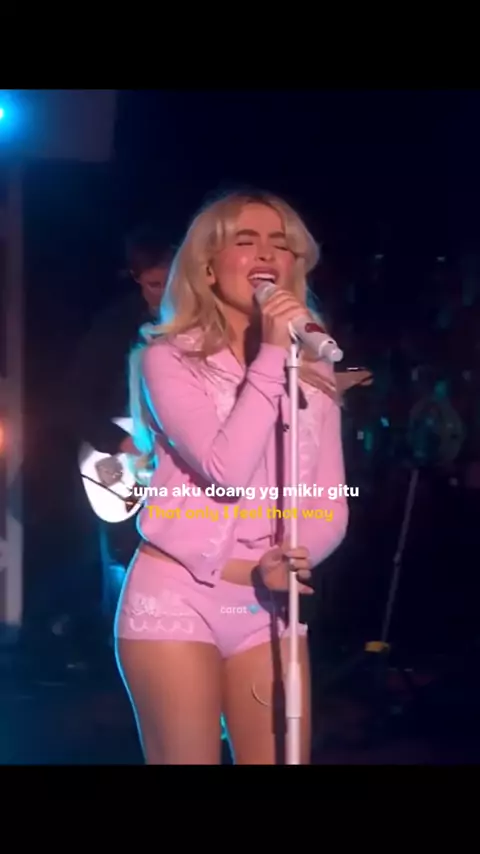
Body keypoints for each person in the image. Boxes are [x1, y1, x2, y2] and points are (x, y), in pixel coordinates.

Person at [116, 190, 349, 764]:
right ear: (208, 266)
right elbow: (226, 472)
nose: (266, 254)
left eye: (281, 244)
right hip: (178, 597)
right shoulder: (169, 358)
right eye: (245, 241)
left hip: (267, 604)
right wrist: (271, 354)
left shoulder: (313, 366)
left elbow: (329, 499)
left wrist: (294, 559)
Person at [68, 225, 173, 627]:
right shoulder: (114, 326)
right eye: (154, 284)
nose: (164, 294)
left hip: (175, 465)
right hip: (125, 458)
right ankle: (121, 638)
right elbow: (75, 401)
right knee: (123, 562)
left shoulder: (201, 326)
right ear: (136, 278)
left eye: (172, 283)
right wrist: (125, 442)